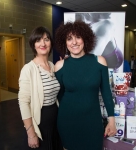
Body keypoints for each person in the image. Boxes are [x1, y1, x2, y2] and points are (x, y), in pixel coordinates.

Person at [54, 21, 117, 150]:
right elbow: (60, 96)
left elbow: (106, 92)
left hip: (92, 121)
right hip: (68, 121)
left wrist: (111, 120)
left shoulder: (99, 61)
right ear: (65, 42)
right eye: (69, 38)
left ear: (85, 38)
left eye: (78, 37)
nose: (74, 42)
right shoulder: (59, 66)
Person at [18, 26, 62, 150]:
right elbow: (23, 102)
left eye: (46, 39)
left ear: (51, 43)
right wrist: (30, 133)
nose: (43, 43)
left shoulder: (53, 66)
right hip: (40, 123)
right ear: (33, 45)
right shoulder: (28, 69)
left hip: (56, 121)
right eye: (38, 40)